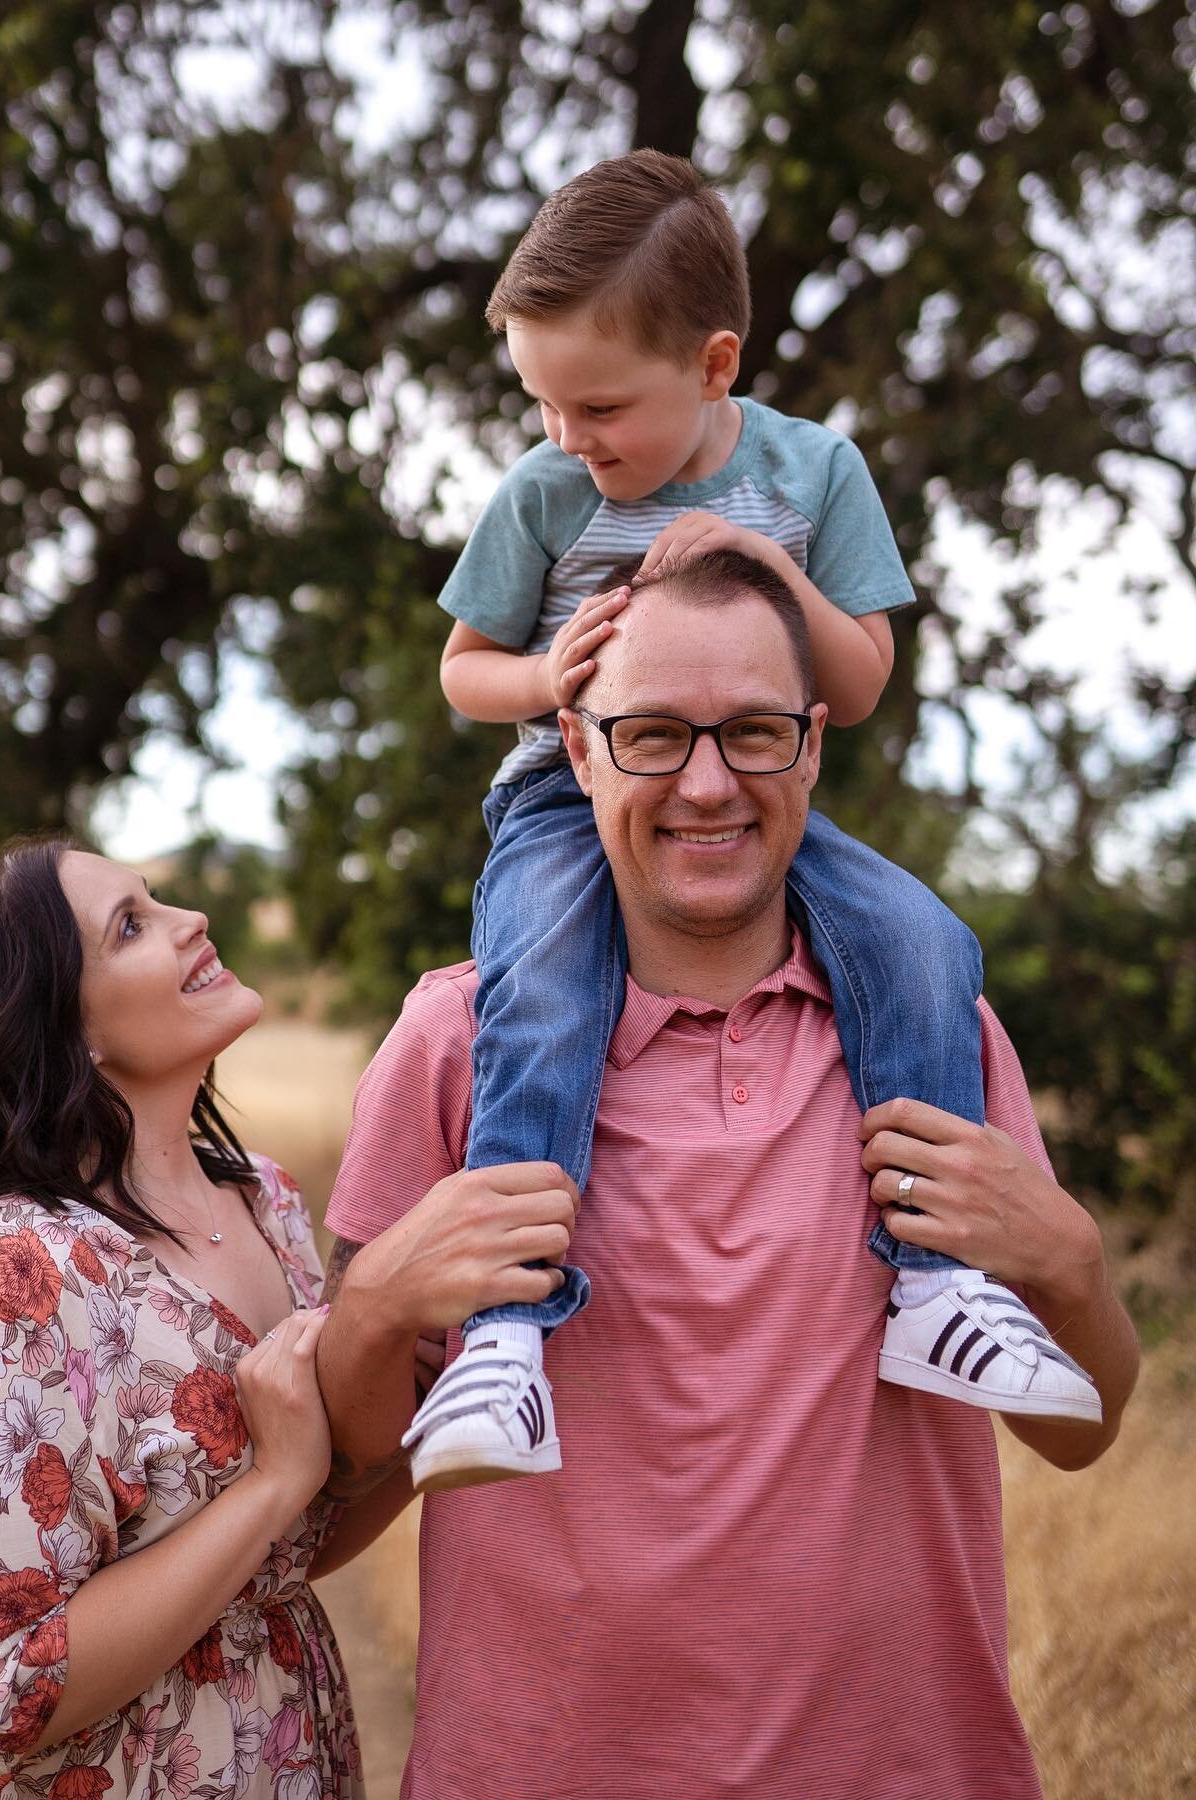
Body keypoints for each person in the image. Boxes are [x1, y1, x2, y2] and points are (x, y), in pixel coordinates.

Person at [314, 553, 1140, 1799]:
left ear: (811, 746)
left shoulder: (938, 1044)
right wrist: (375, 1312)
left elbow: (1077, 1439)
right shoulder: (456, 1047)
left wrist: (1072, 1268)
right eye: (651, 736)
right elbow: (353, 1467)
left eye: (752, 733)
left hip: (908, 1768)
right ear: (579, 752)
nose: (708, 784)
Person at [406, 147, 1099, 1491]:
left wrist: (763, 566)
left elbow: (859, 681)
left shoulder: (813, 471)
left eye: (598, 405)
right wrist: (553, 677)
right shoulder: (546, 496)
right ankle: (506, 1335)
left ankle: (936, 1291)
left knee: (923, 943)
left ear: (716, 367)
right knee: (542, 988)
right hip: (573, 794)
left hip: (753, 773)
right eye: (543, 404)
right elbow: (460, 669)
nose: (567, 438)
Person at [0, 839, 573, 1800]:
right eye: (131, 926)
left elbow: (299, 1548)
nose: (192, 922)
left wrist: (426, 1382)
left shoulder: (264, 1201)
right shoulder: (27, 1280)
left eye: (157, 899)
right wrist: (272, 1480)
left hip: (292, 1752)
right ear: (65, 1030)